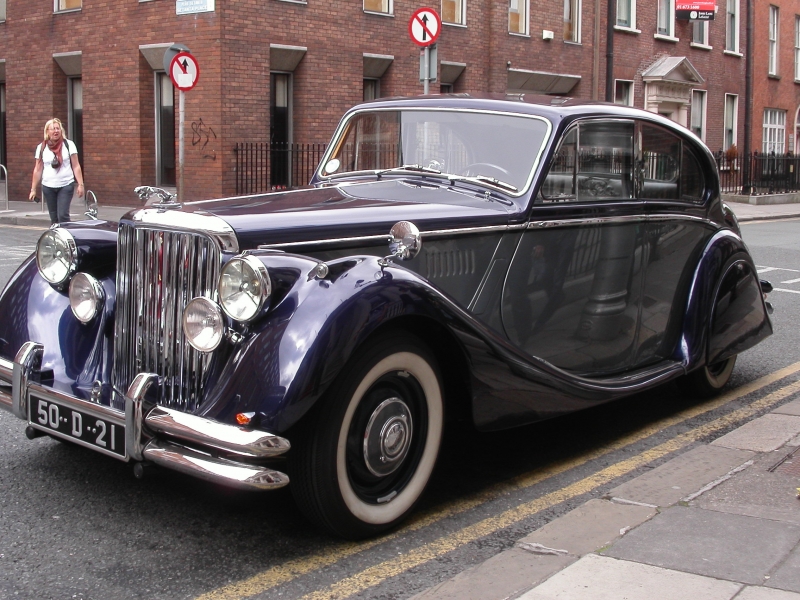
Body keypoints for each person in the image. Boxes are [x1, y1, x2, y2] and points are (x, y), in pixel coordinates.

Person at [29, 118, 85, 224]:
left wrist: (80, 184)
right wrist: (33, 189)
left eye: (57, 128)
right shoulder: (41, 147)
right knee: (54, 218)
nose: (56, 131)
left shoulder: (69, 145)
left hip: (66, 185)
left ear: (61, 130)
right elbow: (37, 169)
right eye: (53, 129)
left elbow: (76, 166)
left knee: (63, 215)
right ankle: (55, 239)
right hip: (48, 187)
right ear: (47, 132)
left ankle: (66, 239)